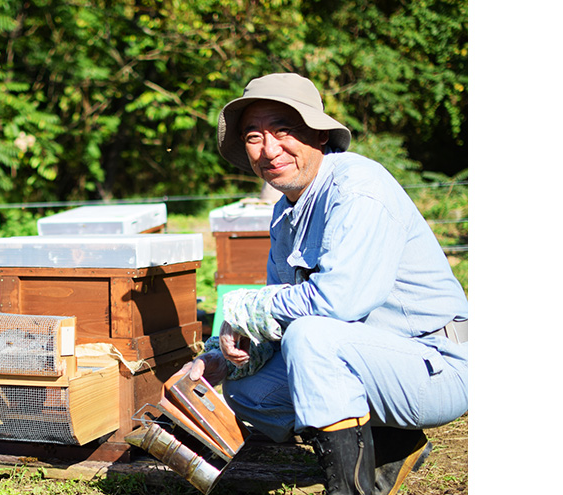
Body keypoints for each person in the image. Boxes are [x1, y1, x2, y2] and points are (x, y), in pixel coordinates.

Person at [176, 73, 468, 495]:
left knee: (312, 339)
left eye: (284, 130)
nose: (269, 149)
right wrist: (217, 358)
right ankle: (391, 443)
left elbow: (337, 303)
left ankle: (349, 490)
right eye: (254, 136)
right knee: (246, 387)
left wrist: (245, 305)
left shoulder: (358, 190)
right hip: (372, 361)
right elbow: (279, 315)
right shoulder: (285, 211)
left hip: (438, 364)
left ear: (318, 133)